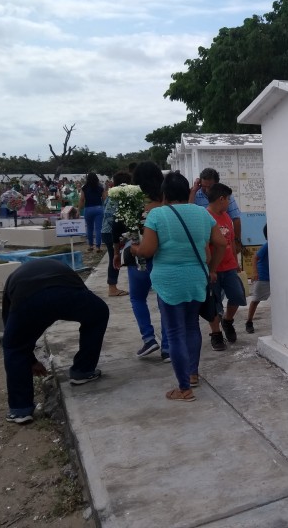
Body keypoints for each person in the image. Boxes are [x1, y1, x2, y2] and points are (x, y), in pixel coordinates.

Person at [131, 171, 226, 402]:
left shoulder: (157, 215)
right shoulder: (203, 213)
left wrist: (132, 248)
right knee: (192, 327)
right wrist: (212, 269)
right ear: (187, 192)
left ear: (165, 193)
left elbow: (147, 251)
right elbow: (221, 243)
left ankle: (184, 388)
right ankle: (192, 374)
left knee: (174, 332)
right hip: (197, 278)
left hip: (169, 280)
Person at [2, 259, 108, 424]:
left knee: (14, 347)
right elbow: (83, 291)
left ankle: (20, 409)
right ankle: (83, 371)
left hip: (28, 299)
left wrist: (30, 360)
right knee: (99, 313)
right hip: (67, 294)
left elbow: (12, 327)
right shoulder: (62, 267)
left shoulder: (13, 278)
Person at [113, 162, 170, 361]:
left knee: (137, 298)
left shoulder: (132, 201)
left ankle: (148, 338)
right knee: (164, 299)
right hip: (163, 255)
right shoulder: (165, 201)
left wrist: (116, 252)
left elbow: (118, 228)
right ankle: (168, 346)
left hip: (139, 254)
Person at [205, 183, 247, 350]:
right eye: (228, 199)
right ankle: (216, 334)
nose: (229, 203)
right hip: (213, 269)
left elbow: (230, 241)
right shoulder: (206, 217)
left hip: (229, 267)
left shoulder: (227, 217)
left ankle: (228, 321)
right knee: (214, 303)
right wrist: (211, 268)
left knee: (237, 296)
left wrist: (236, 262)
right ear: (221, 199)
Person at [190, 168, 242, 254]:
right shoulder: (195, 194)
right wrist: (194, 190)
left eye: (209, 187)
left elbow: (236, 219)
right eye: (203, 186)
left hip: (222, 241)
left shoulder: (226, 196)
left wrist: (237, 241)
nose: (206, 190)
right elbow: (189, 211)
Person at [101, 171, 130, 297]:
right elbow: (109, 216)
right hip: (111, 232)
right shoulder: (116, 196)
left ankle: (113, 286)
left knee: (115, 257)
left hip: (111, 231)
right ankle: (112, 288)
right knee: (114, 258)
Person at [245, 224, 269, 334]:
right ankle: (249, 322)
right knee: (255, 300)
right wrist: (255, 273)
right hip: (263, 277)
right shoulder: (267, 246)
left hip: (274, 278)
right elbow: (255, 258)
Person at [79, 172, 105, 252]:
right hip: (99, 208)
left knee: (89, 228)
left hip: (88, 209)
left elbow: (82, 200)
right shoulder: (100, 188)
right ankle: (98, 247)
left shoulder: (84, 188)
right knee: (98, 229)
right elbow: (104, 199)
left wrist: (78, 210)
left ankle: (90, 245)